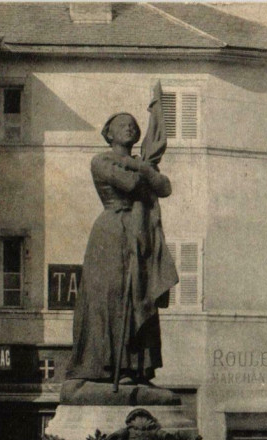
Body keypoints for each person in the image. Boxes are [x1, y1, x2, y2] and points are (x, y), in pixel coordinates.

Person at [66, 112, 177, 385]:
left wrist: (145, 168)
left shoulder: (141, 163)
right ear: (109, 133)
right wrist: (145, 168)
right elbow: (130, 183)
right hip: (112, 232)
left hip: (140, 232)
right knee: (112, 295)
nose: (128, 128)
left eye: (132, 125)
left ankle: (138, 369)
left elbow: (165, 187)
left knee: (141, 296)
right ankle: (109, 366)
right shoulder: (101, 161)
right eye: (121, 125)